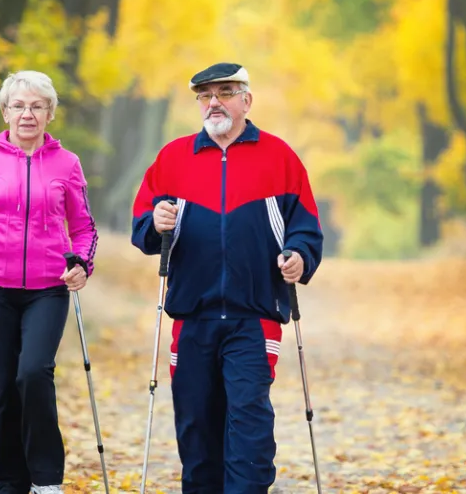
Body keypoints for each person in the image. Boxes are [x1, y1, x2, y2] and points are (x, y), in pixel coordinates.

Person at [130, 62, 325, 493]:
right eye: (205, 95)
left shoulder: (280, 157)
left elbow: (306, 228)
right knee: (197, 425)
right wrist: (155, 222)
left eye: (225, 92)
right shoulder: (173, 158)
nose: (214, 102)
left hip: (254, 317)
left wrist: (299, 257)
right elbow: (143, 228)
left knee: (249, 423)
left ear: (246, 100)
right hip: (191, 315)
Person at [0, 70, 99, 494]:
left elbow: (84, 228)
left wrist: (82, 263)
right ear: (5, 111)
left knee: (32, 373)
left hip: (49, 287)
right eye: (18, 105)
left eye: (37, 106)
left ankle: (46, 480)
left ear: (50, 114)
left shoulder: (67, 164)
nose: (27, 114)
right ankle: (10, 483)